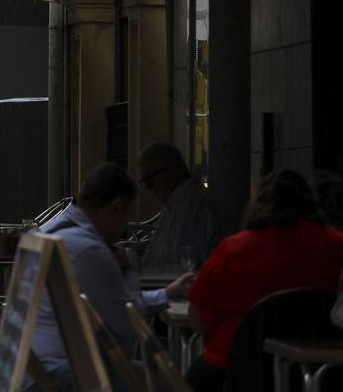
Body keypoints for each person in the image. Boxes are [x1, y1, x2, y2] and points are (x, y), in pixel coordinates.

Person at [28, 163, 187, 391]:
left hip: (31, 368)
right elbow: (128, 324)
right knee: (165, 380)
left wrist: (165, 294)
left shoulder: (48, 232)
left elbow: (113, 301)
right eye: (128, 216)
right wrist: (129, 271)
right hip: (60, 375)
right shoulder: (88, 250)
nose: (124, 229)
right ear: (115, 208)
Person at [184, 169, 343, 392]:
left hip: (234, 370)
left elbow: (197, 319)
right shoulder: (336, 246)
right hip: (315, 373)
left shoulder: (232, 250)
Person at [137, 141, 222, 272]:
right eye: (144, 181)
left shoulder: (199, 206)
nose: (149, 186)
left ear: (173, 168)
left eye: (151, 177)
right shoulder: (170, 206)